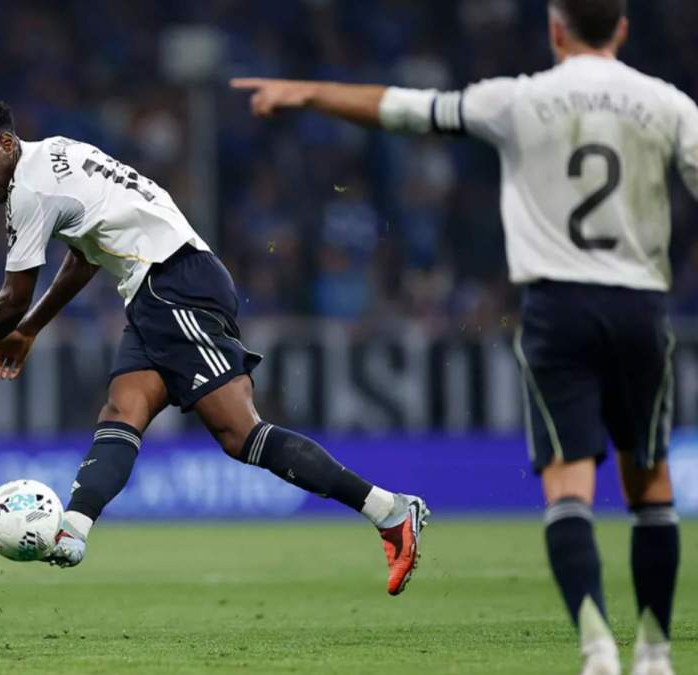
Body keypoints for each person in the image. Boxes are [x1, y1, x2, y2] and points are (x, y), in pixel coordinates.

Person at [231, 1, 694, 673]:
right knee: (650, 487)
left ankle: (597, 646)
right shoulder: (669, 105)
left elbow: (403, 108)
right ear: (622, 28)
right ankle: (654, 653)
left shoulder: (516, 99)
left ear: (555, 28)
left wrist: (308, 92)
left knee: (569, 488)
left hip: (557, 306)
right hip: (640, 306)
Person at [0, 97, 429, 596]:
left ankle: (389, 510)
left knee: (240, 433)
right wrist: (30, 329)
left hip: (172, 282)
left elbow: (10, 298)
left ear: (4, 143)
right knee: (122, 409)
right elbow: (84, 259)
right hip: (158, 286)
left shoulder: (30, 190)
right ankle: (73, 529)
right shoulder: (58, 152)